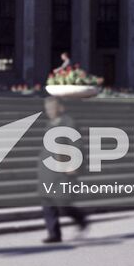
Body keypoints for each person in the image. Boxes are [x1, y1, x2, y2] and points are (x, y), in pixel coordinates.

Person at [40, 96, 89, 243]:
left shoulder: (69, 123)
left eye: (52, 108)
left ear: (61, 108)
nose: (49, 111)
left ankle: (81, 219)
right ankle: (54, 234)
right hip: (48, 171)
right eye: (47, 108)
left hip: (64, 171)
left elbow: (77, 145)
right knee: (47, 201)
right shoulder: (49, 124)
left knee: (63, 203)